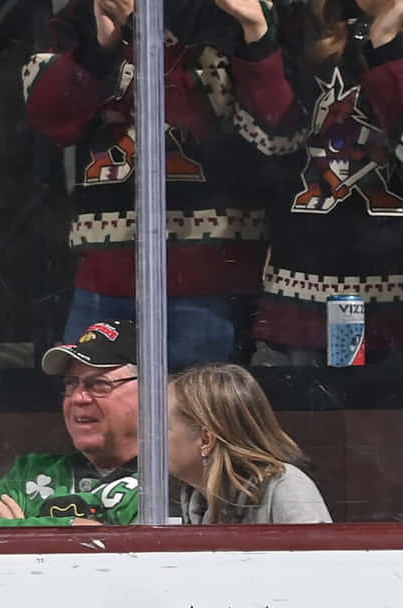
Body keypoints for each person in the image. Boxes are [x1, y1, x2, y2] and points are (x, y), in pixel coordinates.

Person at [230, 0, 403, 364]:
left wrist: (386, 44)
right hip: (311, 296)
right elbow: (274, 144)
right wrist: (258, 36)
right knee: (317, 420)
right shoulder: (304, 19)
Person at [23, 0, 273, 368]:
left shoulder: (236, 12)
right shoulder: (83, 14)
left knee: (196, 415)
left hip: (211, 277)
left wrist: (141, 28)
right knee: (95, 403)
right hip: (105, 274)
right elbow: (50, 120)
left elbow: (276, 133)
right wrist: (99, 51)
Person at [0, 322, 142, 527]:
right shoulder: (32, 471)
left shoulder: (164, 483)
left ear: (149, 392)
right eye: (71, 384)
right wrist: (69, 529)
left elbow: (141, 556)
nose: (77, 397)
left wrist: (15, 532)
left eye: (99, 384)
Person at [169, 364, 332, 524]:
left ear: (206, 440)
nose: (150, 439)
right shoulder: (195, 500)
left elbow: (322, 549)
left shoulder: (287, 489)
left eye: (163, 428)